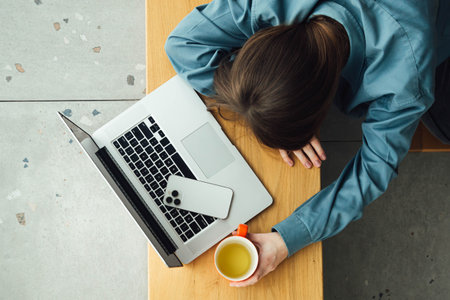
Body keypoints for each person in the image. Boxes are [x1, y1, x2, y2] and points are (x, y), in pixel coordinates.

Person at [165, 0, 450, 287]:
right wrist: (273, 108)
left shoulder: (406, 78)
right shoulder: (269, 4)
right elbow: (182, 45)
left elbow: (376, 169)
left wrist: (287, 239)